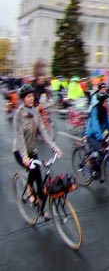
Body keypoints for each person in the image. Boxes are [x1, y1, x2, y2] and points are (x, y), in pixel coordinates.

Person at [12, 84, 64, 220]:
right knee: (33, 171)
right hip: (20, 151)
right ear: (23, 99)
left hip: (32, 150)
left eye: (31, 96)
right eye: (27, 97)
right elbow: (19, 137)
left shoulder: (35, 112)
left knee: (41, 184)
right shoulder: (18, 114)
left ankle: (40, 208)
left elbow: (43, 132)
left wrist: (54, 147)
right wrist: (24, 157)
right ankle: (29, 193)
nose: (30, 99)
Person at [85, 91, 109, 180]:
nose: (107, 103)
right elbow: (95, 126)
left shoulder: (104, 111)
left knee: (103, 151)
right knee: (101, 151)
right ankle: (94, 170)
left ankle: (97, 164)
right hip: (92, 135)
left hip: (100, 134)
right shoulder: (95, 111)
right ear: (101, 101)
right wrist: (100, 138)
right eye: (106, 101)